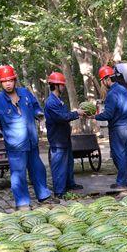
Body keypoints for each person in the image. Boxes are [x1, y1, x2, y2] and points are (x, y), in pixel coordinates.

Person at [0, 65, 54, 210]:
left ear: (15, 80)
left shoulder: (25, 93)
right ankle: (22, 203)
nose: (8, 84)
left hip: (32, 141)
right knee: (18, 175)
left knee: (38, 169)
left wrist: (39, 113)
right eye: (4, 81)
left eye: (10, 80)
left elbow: (36, 107)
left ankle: (44, 197)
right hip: (15, 146)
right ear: (0, 82)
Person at [95, 65, 127, 191]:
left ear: (107, 79)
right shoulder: (123, 89)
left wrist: (95, 117)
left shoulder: (111, 94)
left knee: (119, 155)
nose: (103, 84)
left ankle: (122, 183)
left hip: (117, 128)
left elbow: (108, 114)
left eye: (103, 81)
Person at [44, 71, 85, 199]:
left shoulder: (58, 100)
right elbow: (62, 117)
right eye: (62, 85)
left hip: (64, 137)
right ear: (56, 86)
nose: (63, 87)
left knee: (68, 163)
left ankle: (69, 184)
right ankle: (59, 191)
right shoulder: (51, 102)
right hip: (57, 139)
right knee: (59, 165)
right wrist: (76, 113)